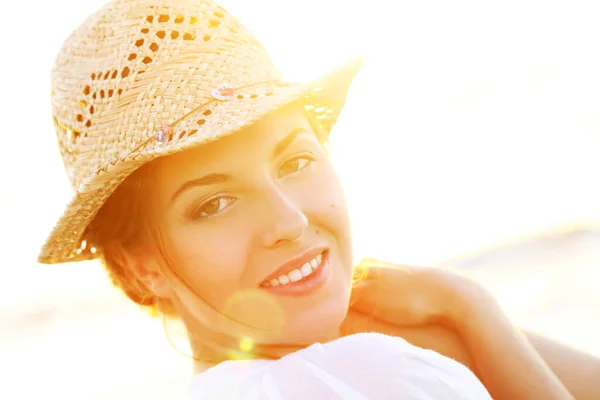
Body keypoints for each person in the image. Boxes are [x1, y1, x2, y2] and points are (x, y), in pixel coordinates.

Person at [39, 0, 599, 399]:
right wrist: (473, 309)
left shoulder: (356, 357)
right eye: (214, 204)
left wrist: (462, 319)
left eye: (295, 162)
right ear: (141, 267)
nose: (287, 218)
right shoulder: (371, 372)